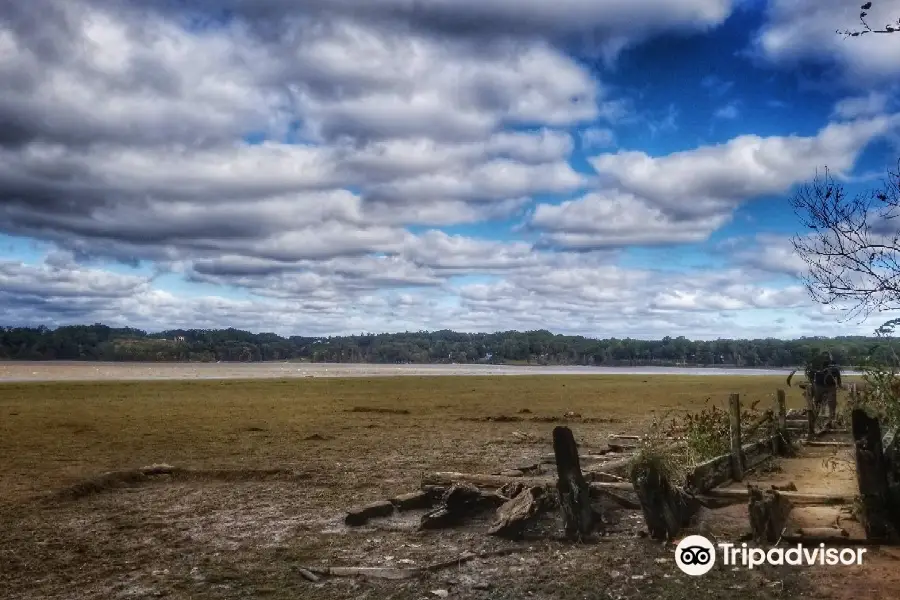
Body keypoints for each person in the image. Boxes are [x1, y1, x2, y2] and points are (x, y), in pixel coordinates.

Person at [811, 351, 842, 421]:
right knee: (817, 402)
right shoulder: (817, 366)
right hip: (819, 386)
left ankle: (832, 418)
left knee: (832, 403)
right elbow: (812, 375)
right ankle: (815, 417)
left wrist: (839, 384)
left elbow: (838, 376)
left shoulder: (834, 367)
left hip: (830, 387)